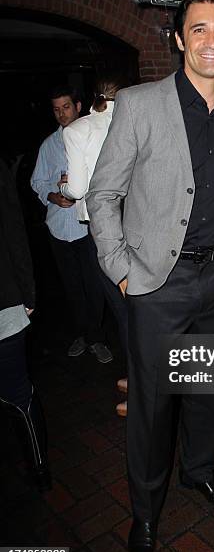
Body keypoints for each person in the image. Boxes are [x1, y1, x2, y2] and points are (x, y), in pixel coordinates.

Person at [87, 0, 214, 552]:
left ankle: (200, 473)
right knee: (153, 406)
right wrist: (121, 271)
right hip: (157, 284)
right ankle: (145, 511)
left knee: (211, 392)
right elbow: (102, 194)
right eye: (201, 30)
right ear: (180, 38)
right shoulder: (138, 104)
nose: (212, 41)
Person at [59, 75, 128, 412]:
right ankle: (142, 373)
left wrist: (66, 186)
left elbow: (77, 188)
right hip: (139, 220)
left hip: (103, 226)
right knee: (139, 303)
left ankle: (141, 380)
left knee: (122, 307)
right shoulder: (134, 119)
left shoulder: (77, 131)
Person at [30, 85, 113, 364]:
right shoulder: (48, 145)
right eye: (56, 109)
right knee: (71, 286)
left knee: (94, 285)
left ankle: (97, 337)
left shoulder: (94, 135)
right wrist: (53, 195)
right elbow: (37, 182)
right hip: (58, 228)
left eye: (65, 107)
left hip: (88, 226)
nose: (61, 113)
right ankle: (83, 334)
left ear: (78, 106)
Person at [0, 159, 51, 492]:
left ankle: (39, 469)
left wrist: (27, 292)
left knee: (16, 392)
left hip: (3, 301)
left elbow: (14, 230)